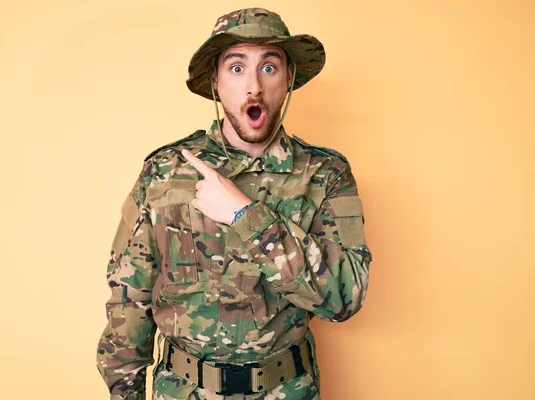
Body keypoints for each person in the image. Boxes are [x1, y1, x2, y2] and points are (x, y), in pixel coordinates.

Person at [96, 7, 372, 400]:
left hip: (287, 390)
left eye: (270, 67)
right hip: (182, 390)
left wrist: (247, 216)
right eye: (237, 68)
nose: (254, 87)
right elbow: (129, 297)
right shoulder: (164, 173)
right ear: (215, 81)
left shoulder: (326, 175)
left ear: (289, 78)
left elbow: (347, 296)